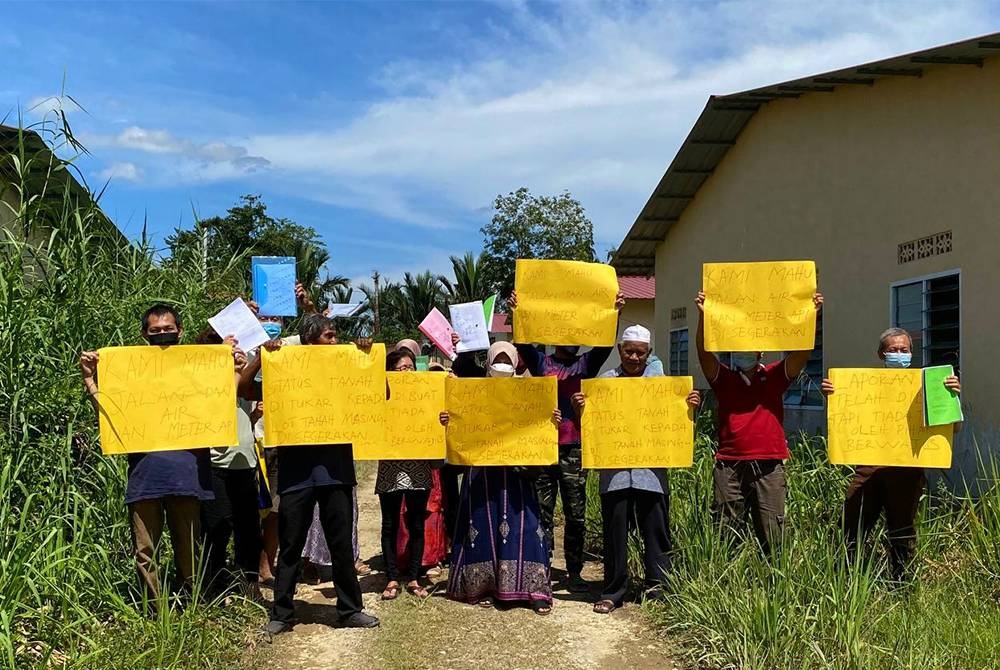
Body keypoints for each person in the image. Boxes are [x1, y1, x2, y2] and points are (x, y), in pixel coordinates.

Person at [240, 314, 379, 634]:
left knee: (341, 545)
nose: (335, 341)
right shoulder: (284, 369)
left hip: (336, 471)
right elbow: (246, 389)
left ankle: (350, 609)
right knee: (290, 546)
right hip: (297, 474)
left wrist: (367, 358)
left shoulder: (346, 369)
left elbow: (379, 394)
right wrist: (261, 358)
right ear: (310, 341)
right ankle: (282, 614)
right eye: (330, 336)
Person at [79, 304, 219, 604]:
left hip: (186, 475)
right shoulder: (131, 372)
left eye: (168, 329)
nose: (162, 334)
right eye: (155, 331)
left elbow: (220, 401)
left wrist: (233, 368)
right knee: (145, 551)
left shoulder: (198, 368)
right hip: (145, 477)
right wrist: (90, 379)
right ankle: (154, 610)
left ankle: (192, 606)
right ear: (144, 334)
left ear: (180, 331)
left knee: (189, 549)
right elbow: (108, 414)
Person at [572, 325, 701, 614]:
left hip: (651, 473)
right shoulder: (604, 383)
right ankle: (613, 591)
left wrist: (691, 404)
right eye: (628, 351)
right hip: (615, 473)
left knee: (656, 531)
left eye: (640, 353)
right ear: (619, 350)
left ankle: (659, 588)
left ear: (649, 353)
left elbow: (681, 421)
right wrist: (580, 407)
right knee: (615, 532)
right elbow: (592, 425)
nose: (633, 357)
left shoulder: (663, 385)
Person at [821, 327, 961, 582]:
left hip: (907, 469)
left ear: (911, 353)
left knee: (902, 532)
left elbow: (954, 428)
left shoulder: (929, 385)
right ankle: (844, 581)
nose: (899, 355)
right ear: (881, 354)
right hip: (869, 467)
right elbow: (845, 419)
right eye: (893, 350)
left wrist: (950, 397)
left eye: (904, 350)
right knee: (851, 526)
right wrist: (833, 395)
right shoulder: (862, 385)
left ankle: (901, 586)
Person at [508, 289, 626, 591]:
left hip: (574, 448)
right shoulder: (541, 363)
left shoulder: (585, 365)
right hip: (545, 447)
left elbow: (604, 345)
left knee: (576, 514)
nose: (570, 340)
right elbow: (521, 341)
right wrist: (518, 312)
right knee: (543, 513)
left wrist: (615, 313)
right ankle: (542, 568)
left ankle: (574, 571)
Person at [694, 289, 823, 554]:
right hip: (729, 463)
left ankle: (775, 581)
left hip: (769, 463)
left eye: (749, 347)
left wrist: (811, 317)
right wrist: (703, 318)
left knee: (773, 529)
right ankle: (726, 580)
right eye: (738, 347)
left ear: (761, 351)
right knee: (725, 528)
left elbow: (800, 355)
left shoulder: (775, 375)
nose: (744, 352)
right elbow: (704, 354)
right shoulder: (723, 378)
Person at [445, 342, 558, 615]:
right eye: (499, 359)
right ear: (489, 362)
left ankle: (535, 589)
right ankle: (481, 586)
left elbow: (538, 424)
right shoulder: (471, 391)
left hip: (518, 471)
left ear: (517, 361)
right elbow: (460, 422)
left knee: (526, 526)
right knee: (481, 523)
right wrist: (450, 418)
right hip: (482, 472)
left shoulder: (529, 390)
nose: (503, 364)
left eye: (508, 359)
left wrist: (551, 418)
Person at [194, 329, 263, 597]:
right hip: (214, 464)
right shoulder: (202, 382)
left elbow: (246, 387)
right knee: (216, 529)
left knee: (249, 529)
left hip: (245, 463)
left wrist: (255, 354)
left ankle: (249, 583)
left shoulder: (241, 377)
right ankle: (214, 587)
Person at [377, 349, 436, 599]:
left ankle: (413, 578)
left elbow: (436, 415)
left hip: (418, 465)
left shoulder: (426, 393)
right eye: (401, 368)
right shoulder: (380, 394)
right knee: (389, 524)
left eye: (411, 367)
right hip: (390, 464)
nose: (407, 372)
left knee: (416, 524)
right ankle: (391, 578)